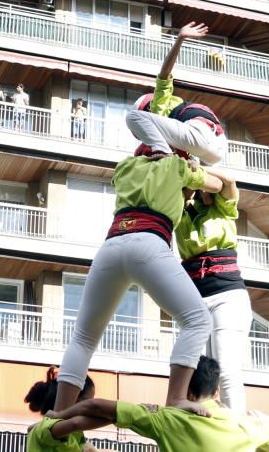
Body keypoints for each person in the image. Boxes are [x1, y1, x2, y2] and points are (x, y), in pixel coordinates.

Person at [54, 152, 223, 416]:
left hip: (110, 247)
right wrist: (192, 167)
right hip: (149, 244)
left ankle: (57, 416)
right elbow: (218, 186)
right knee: (198, 320)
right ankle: (178, 398)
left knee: (83, 338)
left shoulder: (125, 167)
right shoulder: (177, 165)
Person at [47, 356, 269, 452]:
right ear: (216, 390)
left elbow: (96, 407)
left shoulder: (166, 419)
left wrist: (58, 414)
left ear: (184, 387)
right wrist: (262, 418)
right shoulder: (246, 426)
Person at [176, 169, 250, 413]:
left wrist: (194, 169)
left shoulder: (223, 208)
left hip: (227, 296)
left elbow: (228, 180)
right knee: (201, 374)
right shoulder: (178, 213)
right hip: (196, 299)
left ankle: (236, 434)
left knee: (226, 370)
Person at [125, 22, 228, 165]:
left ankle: (162, 151)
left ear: (147, 108)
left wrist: (180, 38)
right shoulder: (178, 125)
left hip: (200, 136)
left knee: (132, 117)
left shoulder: (157, 107)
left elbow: (164, 73)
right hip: (218, 150)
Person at [25, 369, 105, 452]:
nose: (89, 407)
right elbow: (75, 424)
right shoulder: (52, 428)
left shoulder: (72, 432)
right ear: (72, 398)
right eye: (86, 401)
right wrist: (113, 416)